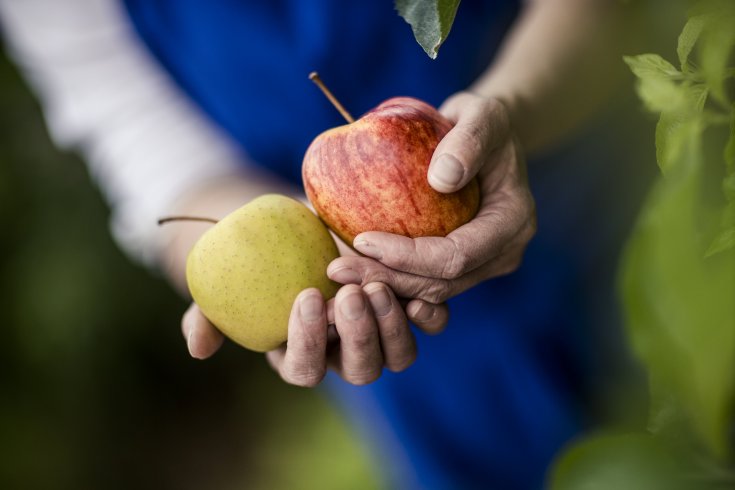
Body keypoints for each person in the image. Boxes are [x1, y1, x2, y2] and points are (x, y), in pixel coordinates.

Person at [0, 0, 647, 487]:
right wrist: (265, 279)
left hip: (609, 191)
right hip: (392, 332)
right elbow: (157, 155)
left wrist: (512, 109)